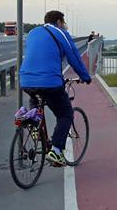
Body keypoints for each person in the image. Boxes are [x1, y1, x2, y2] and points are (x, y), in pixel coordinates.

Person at [19, 10, 92, 166]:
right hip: (50, 82)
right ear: (59, 22)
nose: (65, 25)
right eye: (64, 22)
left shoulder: (33, 32)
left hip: (26, 80)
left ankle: (35, 130)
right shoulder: (61, 32)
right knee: (66, 114)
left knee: (36, 104)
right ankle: (56, 151)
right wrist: (85, 77)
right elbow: (74, 57)